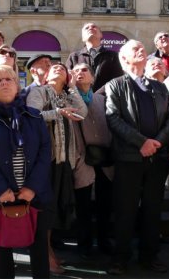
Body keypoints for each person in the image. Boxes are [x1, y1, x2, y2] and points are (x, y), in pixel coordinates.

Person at [0, 65, 53, 279]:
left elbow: (45, 151)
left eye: (9, 79)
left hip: (34, 194)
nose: (4, 83)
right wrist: (0, 189)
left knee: (39, 248)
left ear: (17, 86)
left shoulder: (33, 116)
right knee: (2, 248)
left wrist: (32, 187)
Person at [105, 40, 169, 275]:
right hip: (129, 158)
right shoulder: (115, 85)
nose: (141, 50)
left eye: (141, 48)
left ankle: (150, 256)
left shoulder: (160, 87)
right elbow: (113, 119)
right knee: (125, 209)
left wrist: (157, 142)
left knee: (152, 209)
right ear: (124, 59)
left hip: (156, 158)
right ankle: (121, 258)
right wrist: (142, 142)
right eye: (134, 49)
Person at [27, 63, 87, 274]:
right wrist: (58, 112)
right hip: (46, 160)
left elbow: (83, 113)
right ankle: (45, 257)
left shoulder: (68, 95)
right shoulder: (38, 92)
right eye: (54, 68)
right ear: (45, 76)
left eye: (62, 68)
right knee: (45, 210)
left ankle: (48, 251)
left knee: (52, 210)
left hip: (64, 160)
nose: (58, 69)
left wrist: (72, 88)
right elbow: (31, 116)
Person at [71, 63, 114, 257]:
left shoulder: (101, 99)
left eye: (84, 70)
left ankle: (104, 239)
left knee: (105, 202)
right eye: (76, 70)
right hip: (82, 158)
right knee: (83, 204)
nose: (80, 73)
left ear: (93, 78)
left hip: (104, 157)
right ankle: (84, 242)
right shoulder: (69, 97)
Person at [66, 22, 123, 91]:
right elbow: (69, 79)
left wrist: (98, 95)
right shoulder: (74, 57)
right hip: (80, 98)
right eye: (87, 28)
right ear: (83, 38)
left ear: (101, 35)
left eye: (94, 27)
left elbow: (117, 80)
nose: (90, 28)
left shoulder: (113, 56)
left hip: (105, 98)